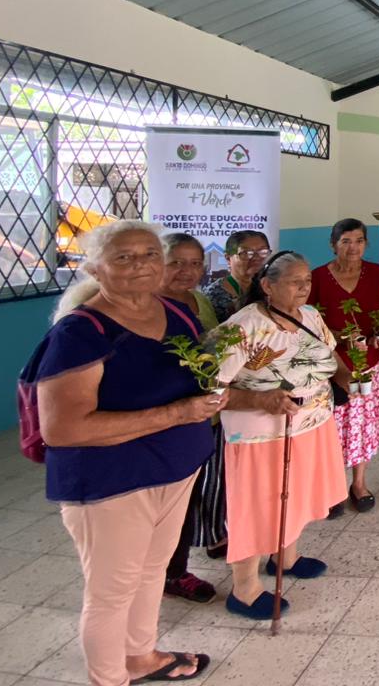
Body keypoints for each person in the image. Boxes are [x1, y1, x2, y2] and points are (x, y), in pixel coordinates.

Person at [34, 220, 220, 686]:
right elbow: (64, 428)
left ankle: (141, 657)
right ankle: (109, 678)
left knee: (152, 571)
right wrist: (176, 414)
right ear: (95, 269)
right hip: (112, 482)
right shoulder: (81, 333)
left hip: (175, 470)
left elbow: (192, 378)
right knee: (110, 594)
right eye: (124, 257)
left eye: (150, 254)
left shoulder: (176, 313)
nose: (141, 265)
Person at [216, 251, 350, 619]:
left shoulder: (310, 315)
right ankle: (244, 588)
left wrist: (345, 377)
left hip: (310, 424)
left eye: (307, 280)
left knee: (296, 494)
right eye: (294, 281)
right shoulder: (243, 326)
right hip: (261, 435)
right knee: (257, 505)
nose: (304, 287)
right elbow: (209, 389)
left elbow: (330, 353)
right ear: (267, 285)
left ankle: (285, 557)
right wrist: (260, 399)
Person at [309, 218, 379, 514]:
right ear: (333, 245)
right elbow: (310, 323)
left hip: (369, 361)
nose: (353, 247)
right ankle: (332, 488)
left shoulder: (376, 273)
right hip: (332, 363)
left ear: (366, 244)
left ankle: (359, 483)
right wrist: (341, 339)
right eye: (345, 241)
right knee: (333, 425)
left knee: (363, 424)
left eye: (359, 241)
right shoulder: (318, 277)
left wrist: (378, 332)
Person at [158, 232, 222, 603]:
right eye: (177, 263)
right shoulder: (146, 306)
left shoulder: (200, 300)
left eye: (195, 263)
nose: (187, 271)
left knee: (189, 497)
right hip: (163, 420)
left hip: (203, 415)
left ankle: (176, 570)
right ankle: (163, 573)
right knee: (162, 505)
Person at [203, 229, 270, 323]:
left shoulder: (274, 288)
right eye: (246, 253)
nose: (256, 258)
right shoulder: (213, 295)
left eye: (263, 252)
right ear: (228, 258)